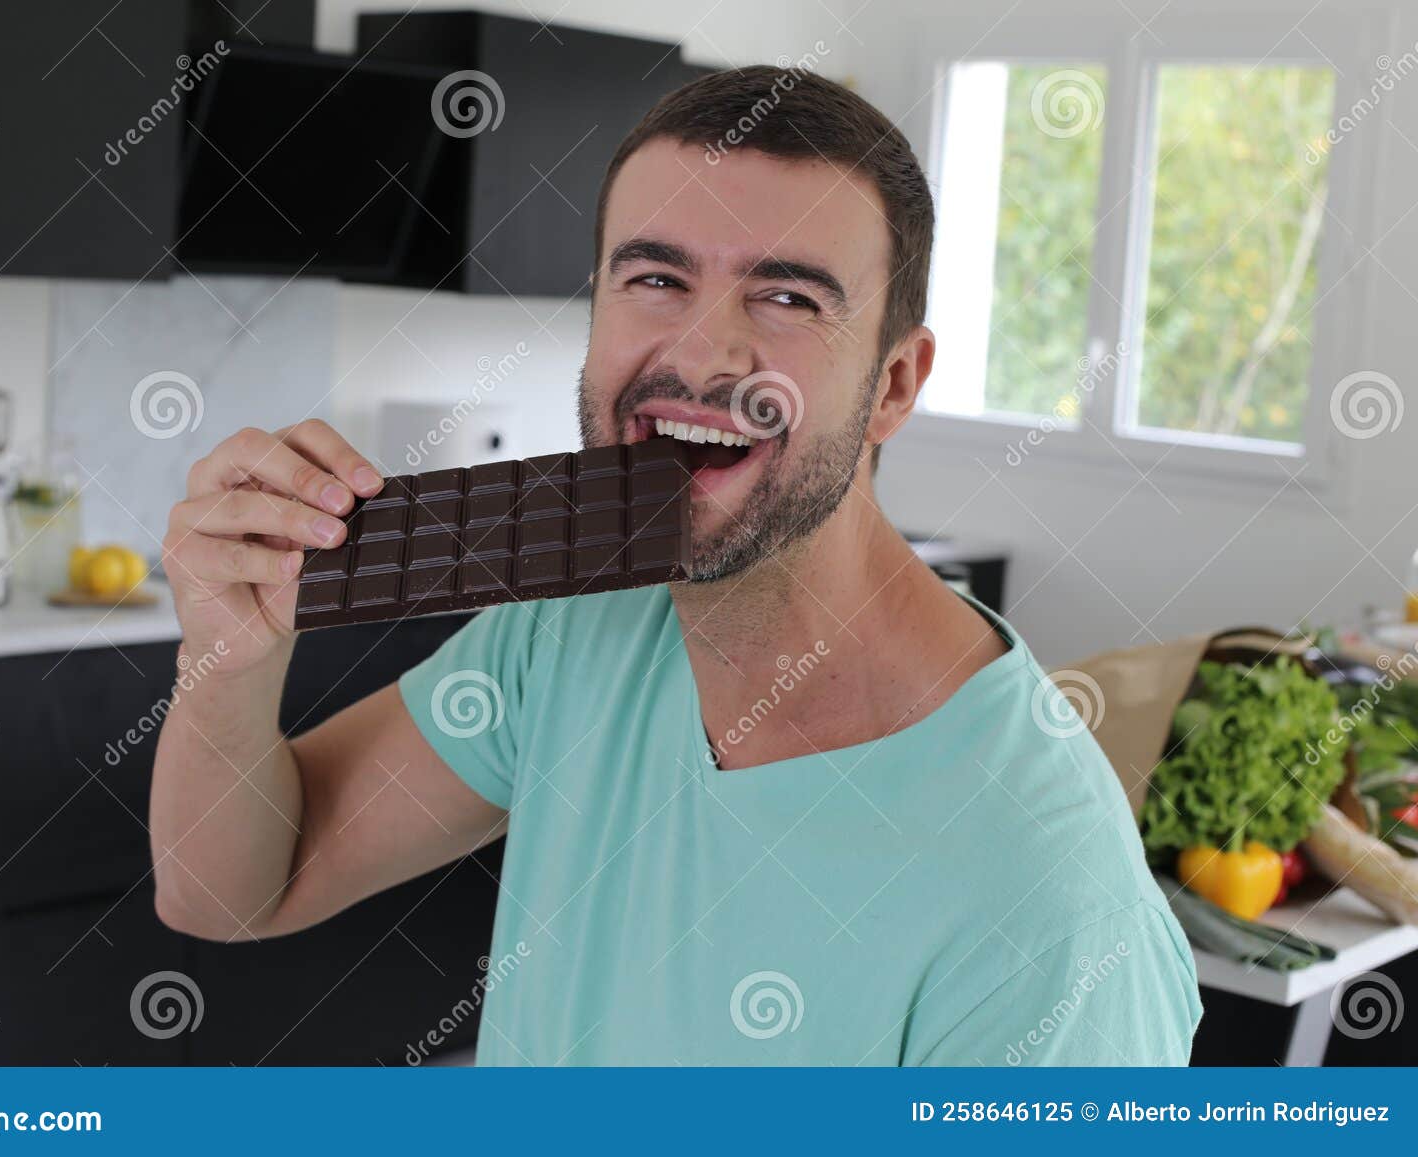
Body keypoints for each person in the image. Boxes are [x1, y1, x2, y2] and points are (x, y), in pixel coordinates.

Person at [149, 67, 1202, 1065]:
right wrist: (229, 659)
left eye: (787, 297)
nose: (701, 355)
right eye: (655, 278)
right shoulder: (571, 628)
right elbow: (239, 889)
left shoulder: (1052, 907)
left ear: (892, 382)